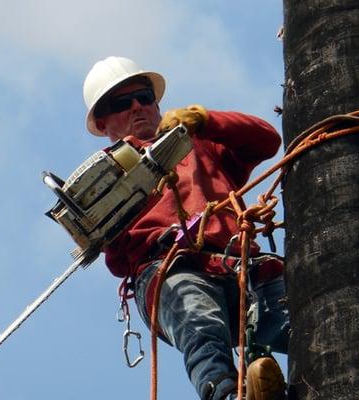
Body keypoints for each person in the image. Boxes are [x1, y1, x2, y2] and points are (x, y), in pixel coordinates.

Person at [82, 56, 289, 400]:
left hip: (240, 262)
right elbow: (117, 261)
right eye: (122, 103)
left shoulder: (197, 143)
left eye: (145, 98)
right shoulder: (105, 180)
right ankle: (227, 395)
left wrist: (205, 121)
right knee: (202, 326)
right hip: (170, 268)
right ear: (103, 123)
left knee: (304, 321)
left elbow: (266, 140)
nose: (138, 107)